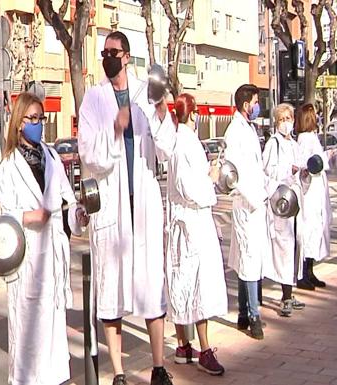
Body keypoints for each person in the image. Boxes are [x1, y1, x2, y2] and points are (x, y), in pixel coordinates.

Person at [78, 31, 176, 385]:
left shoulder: (145, 93)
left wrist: (162, 107)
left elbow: (166, 148)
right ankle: (119, 373)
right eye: (104, 52)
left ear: (127, 55)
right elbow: (89, 152)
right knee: (111, 290)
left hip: (145, 205)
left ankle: (159, 367)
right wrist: (116, 131)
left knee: (152, 286)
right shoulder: (93, 99)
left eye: (113, 52)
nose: (108, 57)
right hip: (112, 210)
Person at [0, 92, 89, 385]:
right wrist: (27, 217)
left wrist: (78, 215)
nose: (37, 124)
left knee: (53, 342)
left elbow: (68, 202)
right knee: (28, 344)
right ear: (19, 123)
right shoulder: (8, 167)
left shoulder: (51, 157)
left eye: (41, 118)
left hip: (53, 261)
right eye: (31, 119)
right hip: (27, 262)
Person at [166, 93, 227, 375]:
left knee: (182, 283)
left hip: (186, 223)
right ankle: (203, 349)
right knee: (197, 285)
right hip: (192, 223)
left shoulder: (181, 142)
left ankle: (183, 345)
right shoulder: (185, 143)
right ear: (194, 115)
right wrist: (211, 180)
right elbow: (191, 188)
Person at [223, 84, 271, 340]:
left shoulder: (249, 129)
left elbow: (256, 167)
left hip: (255, 202)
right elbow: (232, 173)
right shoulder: (234, 132)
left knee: (247, 258)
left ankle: (243, 311)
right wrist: (253, 198)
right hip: (246, 203)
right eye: (255, 102)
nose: (257, 106)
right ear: (245, 105)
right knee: (248, 258)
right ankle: (253, 315)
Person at [262, 103, 307, 316]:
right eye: (282, 119)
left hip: (296, 201)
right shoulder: (274, 144)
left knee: (295, 246)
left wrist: (304, 174)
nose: (286, 123)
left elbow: (301, 171)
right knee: (284, 249)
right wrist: (287, 170)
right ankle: (285, 296)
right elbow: (268, 171)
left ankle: (290, 291)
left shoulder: (294, 144)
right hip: (282, 202)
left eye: (289, 118)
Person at [295, 103, 331, 290]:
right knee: (308, 232)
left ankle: (310, 270)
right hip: (309, 193)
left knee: (316, 230)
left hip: (317, 191)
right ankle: (303, 274)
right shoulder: (304, 139)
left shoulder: (312, 138)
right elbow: (304, 164)